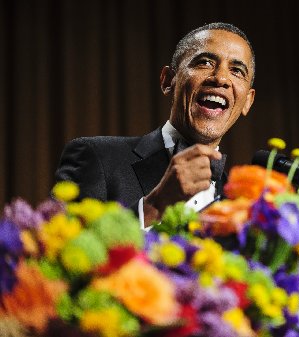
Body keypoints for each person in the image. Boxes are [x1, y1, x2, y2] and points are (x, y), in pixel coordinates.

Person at [55, 22, 256, 227]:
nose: (221, 78)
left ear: (247, 101)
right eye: (204, 62)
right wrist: (155, 206)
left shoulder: (243, 206)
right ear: (168, 80)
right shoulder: (96, 157)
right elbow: (66, 251)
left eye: (237, 71)